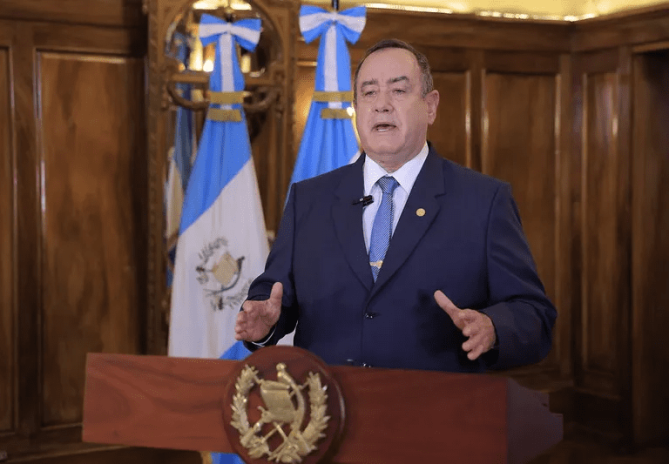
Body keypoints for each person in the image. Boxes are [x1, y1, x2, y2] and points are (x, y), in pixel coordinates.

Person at [234, 39, 557, 372]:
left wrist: (493, 327)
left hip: (435, 412)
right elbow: (275, 293)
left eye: (398, 91)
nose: (381, 105)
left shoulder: (484, 201)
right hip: (327, 409)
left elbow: (534, 314)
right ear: (356, 107)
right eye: (369, 93)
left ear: (430, 106)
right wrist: (265, 323)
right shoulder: (310, 198)